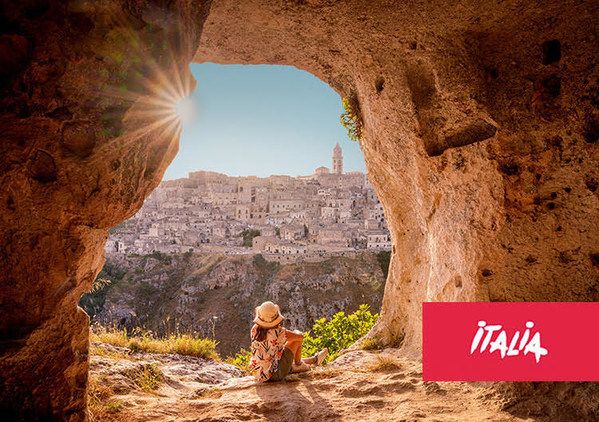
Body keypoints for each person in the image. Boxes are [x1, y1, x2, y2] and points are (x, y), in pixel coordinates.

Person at [249, 301, 328, 382]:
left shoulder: (254, 329)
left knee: (282, 353)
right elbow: (301, 337)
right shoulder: (279, 332)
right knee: (297, 337)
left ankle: (314, 359)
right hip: (274, 374)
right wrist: (296, 333)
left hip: (259, 373)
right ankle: (299, 364)